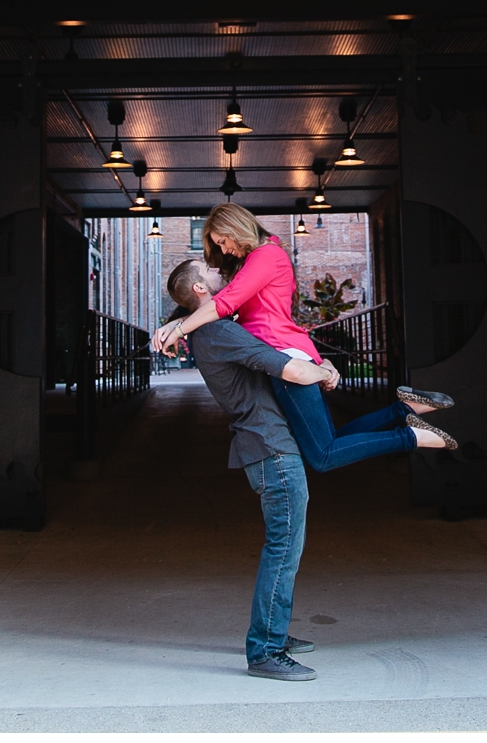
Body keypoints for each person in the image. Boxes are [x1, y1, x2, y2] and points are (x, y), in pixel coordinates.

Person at [152, 205, 460, 460]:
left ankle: (411, 436)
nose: (224, 250)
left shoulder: (265, 256)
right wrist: (174, 324)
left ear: (235, 228)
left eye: (222, 241)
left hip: (284, 358)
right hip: (288, 353)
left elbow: (224, 304)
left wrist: (178, 328)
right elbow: (238, 306)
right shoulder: (261, 257)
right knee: (330, 440)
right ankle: (406, 408)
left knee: (323, 455)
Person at [158, 284, 332, 681]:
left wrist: (173, 327)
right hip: (272, 449)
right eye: (212, 270)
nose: (223, 272)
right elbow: (289, 368)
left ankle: (274, 635)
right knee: (283, 548)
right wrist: (325, 371)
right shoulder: (218, 330)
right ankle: (265, 650)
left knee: (285, 546)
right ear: (201, 288)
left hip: (265, 446)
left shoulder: (206, 328)